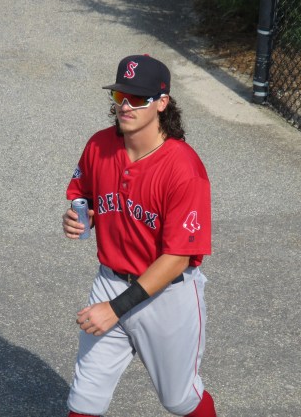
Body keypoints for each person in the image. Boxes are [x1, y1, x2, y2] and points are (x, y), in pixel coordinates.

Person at [62, 54, 216, 417]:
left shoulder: (184, 169)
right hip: (109, 281)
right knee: (83, 400)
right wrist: (79, 217)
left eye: (137, 98)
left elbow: (177, 258)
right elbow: (85, 195)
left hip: (167, 295)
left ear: (162, 103)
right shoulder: (99, 146)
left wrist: (114, 309)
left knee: (180, 400)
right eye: (120, 96)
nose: (126, 106)